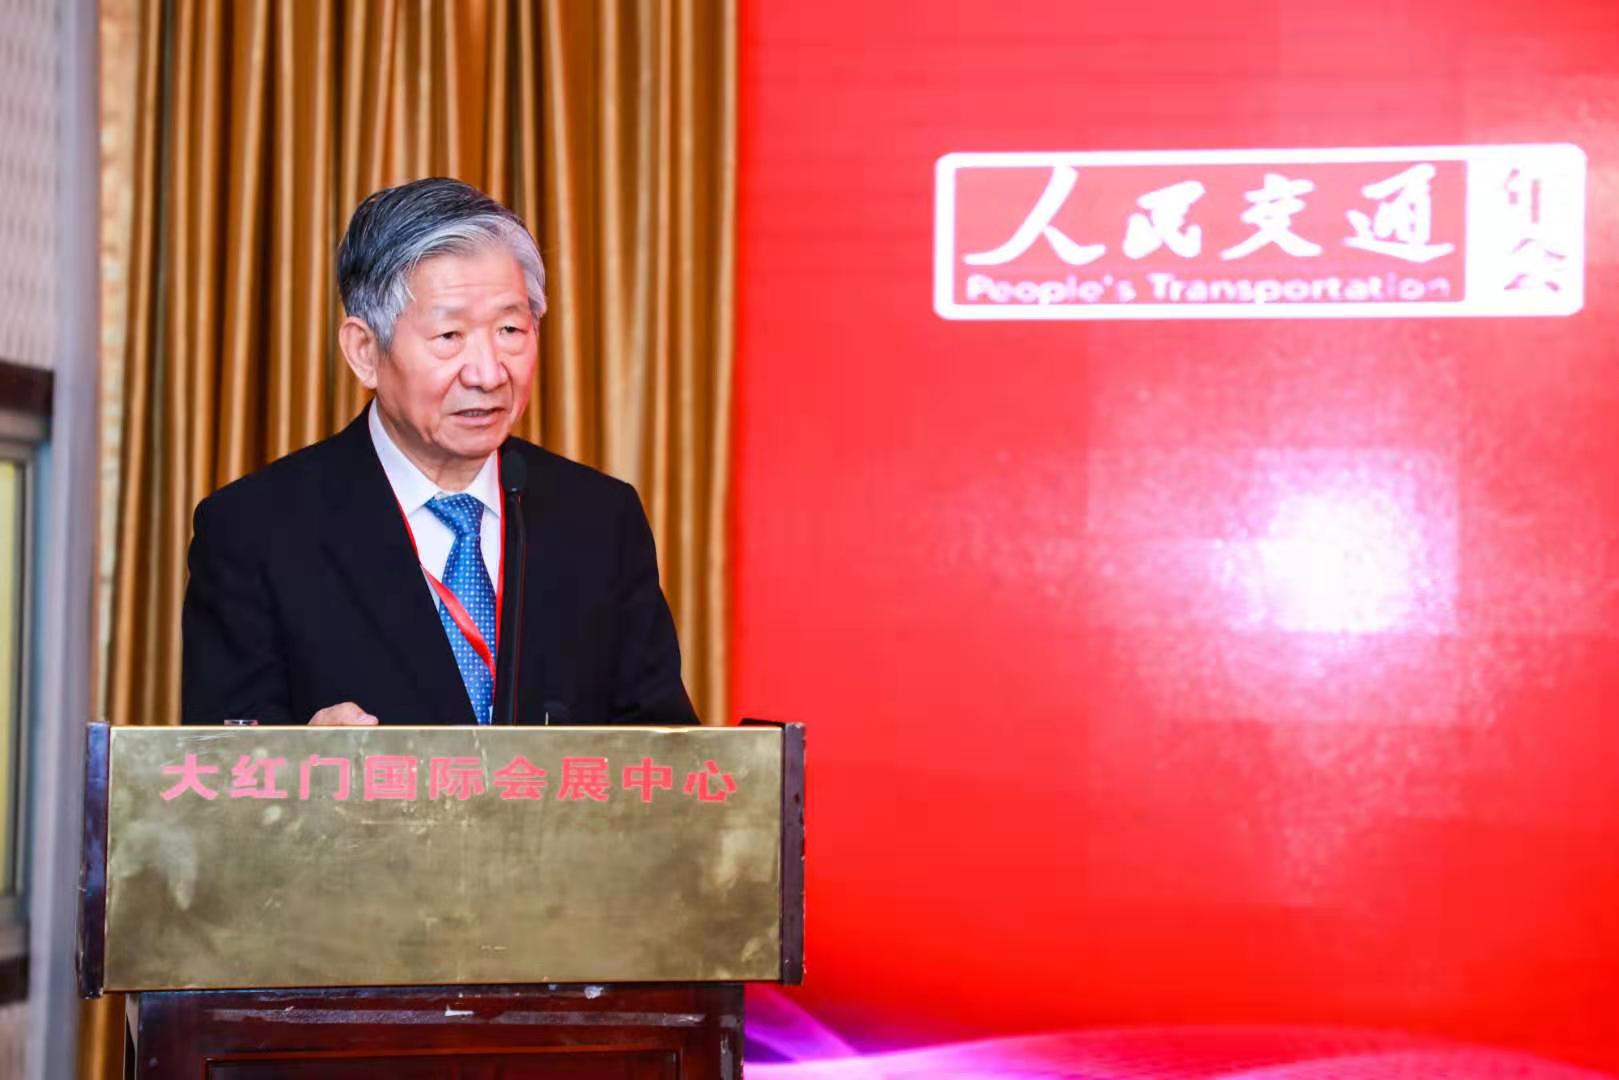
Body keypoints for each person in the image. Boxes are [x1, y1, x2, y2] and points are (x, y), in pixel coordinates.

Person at [181, 177, 694, 727]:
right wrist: (301, 762)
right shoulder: (255, 532)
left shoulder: (600, 519)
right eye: (450, 336)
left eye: (511, 329)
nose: (488, 373)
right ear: (364, 351)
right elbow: (222, 767)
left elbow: (663, 750)